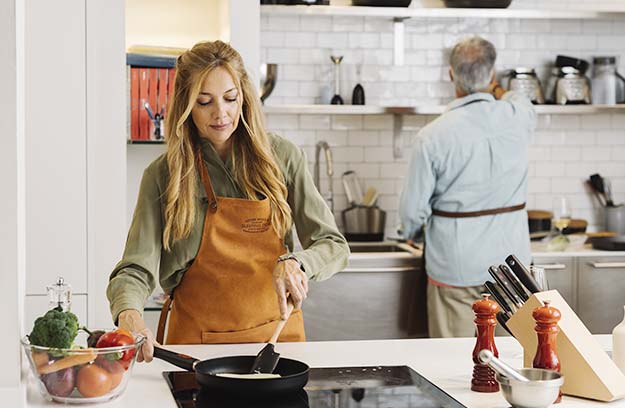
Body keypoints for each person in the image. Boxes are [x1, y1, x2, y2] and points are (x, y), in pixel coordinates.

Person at [107, 40, 349, 361]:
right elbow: (135, 270)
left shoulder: (283, 158)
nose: (220, 114)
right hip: (196, 349)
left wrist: (298, 263)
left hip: (278, 346)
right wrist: (128, 313)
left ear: (244, 98)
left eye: (230, 99)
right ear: (186, 107)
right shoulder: (163, 175)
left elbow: (334, 245)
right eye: (204, 102)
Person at [399, 36, 536, 338]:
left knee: (454, 363)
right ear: (492, 75)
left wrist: (410, 235)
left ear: (450, 75)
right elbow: (519, 98)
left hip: (454, 267)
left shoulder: (431, 136)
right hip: (511, 269)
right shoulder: (518, 117)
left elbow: (411, 213)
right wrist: (497, 86)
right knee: (512, 361)